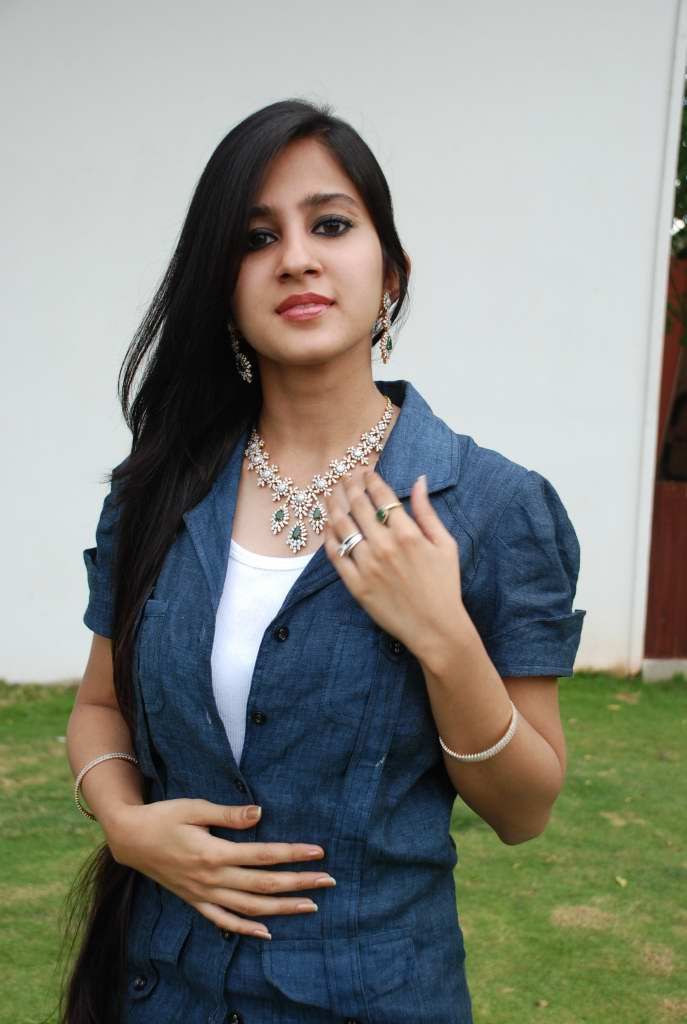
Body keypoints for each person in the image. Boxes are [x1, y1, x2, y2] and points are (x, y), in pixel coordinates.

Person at [62, 98, 586, 1024]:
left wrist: (443, 636)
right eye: (256, 237)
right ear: (222, 287)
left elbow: (523, 811)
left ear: (390, 274)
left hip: (374, 998)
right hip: (159, 990)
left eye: (331, 225)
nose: (296, 257)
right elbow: (99, 706)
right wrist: (127, 825)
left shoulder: (495, 507)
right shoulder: (157, 491)